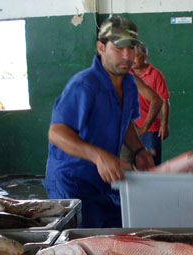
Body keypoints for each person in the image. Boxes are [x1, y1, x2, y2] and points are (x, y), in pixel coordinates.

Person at [43, 16, 154, 228]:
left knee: (118, 235)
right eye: (119, 48)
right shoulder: (84, 85)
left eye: (131, 48)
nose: (126, 56)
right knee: (84, 246)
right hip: (72, 181)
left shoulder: (129, 83)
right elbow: (56, 133)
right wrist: (98, 156)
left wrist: (139, 151)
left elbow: (126, 122)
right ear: (101, 47)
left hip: (104, 180)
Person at [131, 42, 170, 165]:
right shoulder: (125, 74)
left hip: (151, 129)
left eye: (135, 55)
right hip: (130, 129)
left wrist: (164, 124)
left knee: (151, 163)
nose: (132, 59)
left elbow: (163, 100)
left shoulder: (155, 75)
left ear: (145, 56)